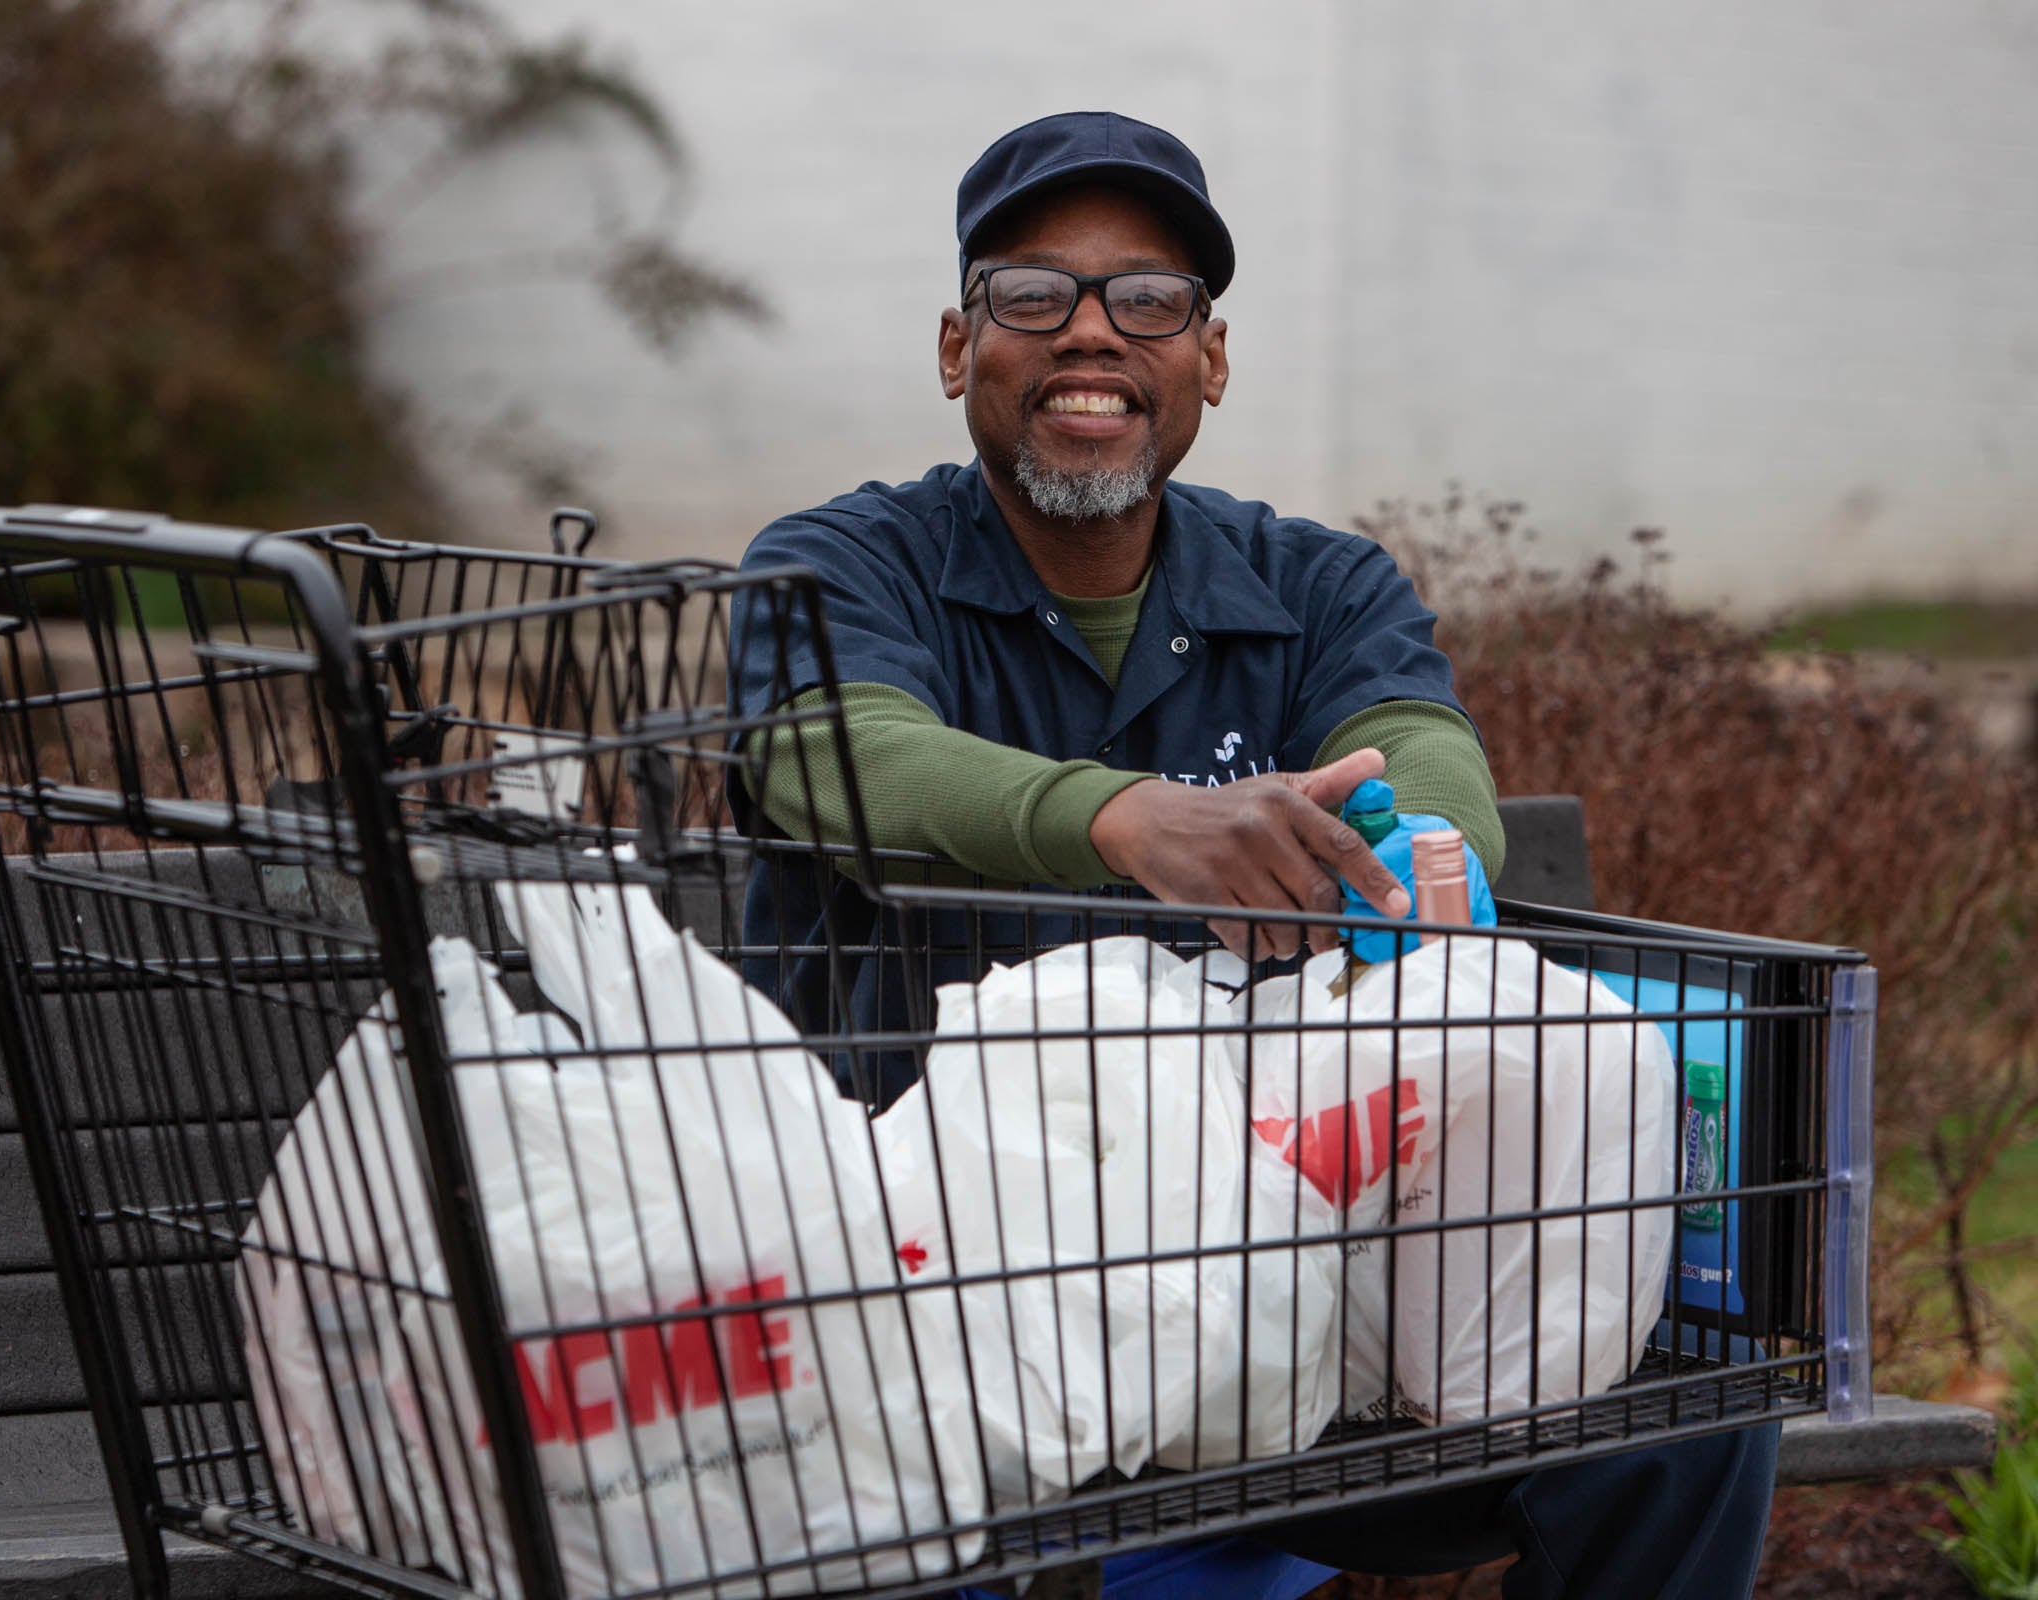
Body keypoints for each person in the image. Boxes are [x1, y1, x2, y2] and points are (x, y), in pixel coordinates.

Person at [728, 111, 1778, 1600]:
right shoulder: (837, 562)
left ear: (1208, 358)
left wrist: (1408, 845)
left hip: (1285, 1299)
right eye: (1034, 294)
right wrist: (1130, 818)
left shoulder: (1313, 581)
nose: (1091, 335)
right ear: (961, 346)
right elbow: (830, 751)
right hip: (942, 1298)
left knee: (1684, 1427)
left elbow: (1425, 756)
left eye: (1148, 299)